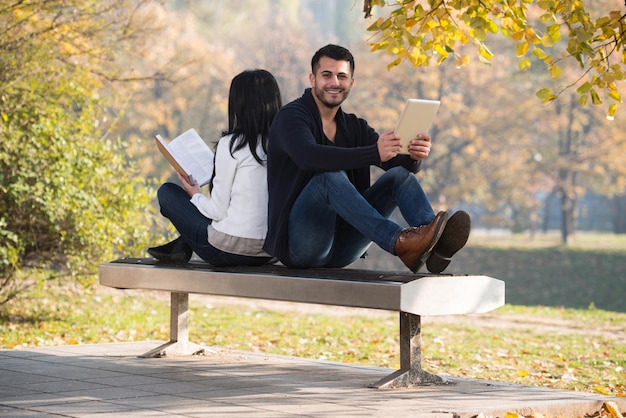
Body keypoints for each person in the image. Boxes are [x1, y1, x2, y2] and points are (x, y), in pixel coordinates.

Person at [264, 44, 470, 273]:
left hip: (343, 248)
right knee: (328, 178)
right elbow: (308, 157)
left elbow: (393, 163)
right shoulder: (291, 117)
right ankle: (399, 242)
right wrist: (373, 152)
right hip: (300, 249)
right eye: (326, 75)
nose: (334, 82)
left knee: (399, 177)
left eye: (342, 76)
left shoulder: (355, 127)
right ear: (312, 79)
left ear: (351, 83)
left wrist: (413, 156)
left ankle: (432, 241)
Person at [148, 69, 282, 266]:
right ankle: (179, 247)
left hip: (229, 251)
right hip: (270, 252)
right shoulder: (284, 145)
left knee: (168, 193)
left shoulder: (233, 144)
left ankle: (181, 246)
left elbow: (217, 212)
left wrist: (194, 194)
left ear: (239, 105)